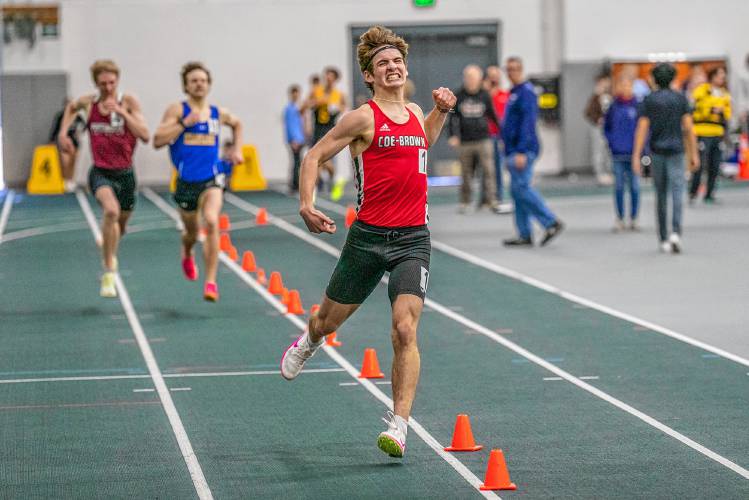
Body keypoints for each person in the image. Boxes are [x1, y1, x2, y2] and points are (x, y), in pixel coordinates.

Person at [279, 25, 456, 459]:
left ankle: (399, 424)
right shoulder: (362, 118)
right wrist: (306, 203)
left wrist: (440, 111)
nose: (392, 67)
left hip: (413, 238)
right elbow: (315, 155)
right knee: (326, 321)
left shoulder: (415, 111)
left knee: (404, 328)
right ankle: (310, 341)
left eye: (397, 61)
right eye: (383, 64)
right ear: (371, 76)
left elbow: (423, 142)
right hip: (368, 238)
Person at [58, 60, 149, 297]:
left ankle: (111, 244)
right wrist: (62, 133)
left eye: (111, 82)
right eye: (103, 83)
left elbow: (145, 135)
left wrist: (121, 113)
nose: (108, 87)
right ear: (96, 83)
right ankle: (109, 272)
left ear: (117, 80)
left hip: (126, 174)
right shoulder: (90, 104)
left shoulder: (128, 102)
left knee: (120, 226)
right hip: (100, 172)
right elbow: (70, 107)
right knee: (111, 211)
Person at [153, 62, 244, 301]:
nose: (199, 84)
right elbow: (157, 140)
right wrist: (184, 123)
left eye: (203, 80)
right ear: (186, 85)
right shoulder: (177, 110)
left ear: (209, 84)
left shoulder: (217, 112)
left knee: (212, 221)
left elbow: (237, 123)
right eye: (194, 80)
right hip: (186, 182)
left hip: (212, 177)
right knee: (192, 232)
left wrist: (237, 149)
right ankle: (186, 250)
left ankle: (211, 281)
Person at [632, 63, 700, 254]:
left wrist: (637, 156)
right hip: (677, 152)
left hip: (658, 152)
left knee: (660, 194)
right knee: (677, 192)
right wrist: (694, 153)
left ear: (654, 79)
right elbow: (688, 128)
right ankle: (676, 232)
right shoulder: (680, 99)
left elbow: (642, 129)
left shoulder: (649, 100)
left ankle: (663, 237)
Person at [502, 56, 564, 247]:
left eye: (515, 69)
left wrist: (521, 150)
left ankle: (550, 222)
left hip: (523, 150)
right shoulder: (514, 93)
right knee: (516, 191)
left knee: (522, 188)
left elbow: (528, 124)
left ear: (521, 70)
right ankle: (524, 233)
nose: (511, 72)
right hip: (513, 149)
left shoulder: (526, 93)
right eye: (509, 69)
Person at [448, 65, 502, 213]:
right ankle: (465, 201)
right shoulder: (458, 95)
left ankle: (492, 200)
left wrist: (502, 135)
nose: (471, 81)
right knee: (466, 173)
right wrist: (453, 135)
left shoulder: (485, 95)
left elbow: (492, 115)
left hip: (484, 139)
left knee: (489, 171)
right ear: (464, 79)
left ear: (479, 79)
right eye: (468, 78)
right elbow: (452, 118)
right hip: (465, 141)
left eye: (474, 78)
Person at [303, 66, 348, 200]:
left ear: (335, 79)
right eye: (326, 76)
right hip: (317, 127)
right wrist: (317, 102)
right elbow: (305, 105)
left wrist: (337, 108)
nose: (328, 79)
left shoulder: (339, 94)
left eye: (331, 77)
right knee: (315, 158)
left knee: (327, 159)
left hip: (331, 128)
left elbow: (345, 107)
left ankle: (334, 179)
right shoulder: (316, 91)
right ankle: (317, 187)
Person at [689, 66, 731, 203]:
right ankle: (693, 192)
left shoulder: (725, 94)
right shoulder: (702, 90)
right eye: (720, 75)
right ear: (713, 76)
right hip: (702, 132)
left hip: (717, 133)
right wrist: (712, 109)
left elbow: (728, 113)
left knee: (715, 164)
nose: (722, 78)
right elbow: (697, 108)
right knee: (699, 164)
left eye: (723, 76)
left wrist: (720, 111)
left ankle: (709, 194)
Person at [604, 77, 640, 231]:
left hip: (634, 154)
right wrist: (612, 142)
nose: (625, 88)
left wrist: (641, 150)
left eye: (628, 85)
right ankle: (619, 217)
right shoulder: (613, 107)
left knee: (634, 187)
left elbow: (644, 129)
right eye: (622, 85)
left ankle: (634, 218)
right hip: (618, 153)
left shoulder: (638, 106)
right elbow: (606, 127)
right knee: (618, 187)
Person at [483, 65, 511, 211]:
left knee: (498, 168)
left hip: (498, 136)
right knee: (486, 169)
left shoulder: (505, 95)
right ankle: (485, 198)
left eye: (496, 75)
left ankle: (499, 196)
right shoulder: (484, 95)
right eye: (491, 75)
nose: (494, 78)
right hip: (484, 136)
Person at [585, 73, 614, 185]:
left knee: (608, 151)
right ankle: (600, 174)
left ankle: (609, 173)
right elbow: (588, 112)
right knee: (598, 151)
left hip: (609, 128)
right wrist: (597, 119)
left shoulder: (610, 96)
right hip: (598, 128)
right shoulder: (595, 97)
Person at [284, 85, 305, 193]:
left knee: (298, 162)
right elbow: (290, 126)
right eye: (294, 93)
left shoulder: (298, 108)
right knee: (296, 162)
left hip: (300, 138)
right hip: (295, 140)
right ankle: (294, 184)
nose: (296, 95)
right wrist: (293, 140)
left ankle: (296, 184)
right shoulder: (289, 109)